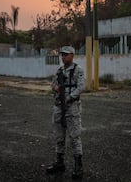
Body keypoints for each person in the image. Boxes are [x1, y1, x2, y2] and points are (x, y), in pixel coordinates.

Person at [46, 46, 85, 179]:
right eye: (62, 55)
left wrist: (69, 98)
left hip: (72, 107)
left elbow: (81, 87)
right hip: (58, 106)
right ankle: (60, 162)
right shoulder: (59, 70)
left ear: (72, 56)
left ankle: (78, 166)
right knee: (59, 136)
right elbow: (53, 84)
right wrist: (55, 88)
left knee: (75, 137)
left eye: (66, 55)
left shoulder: (78, 70)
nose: (63, 57)